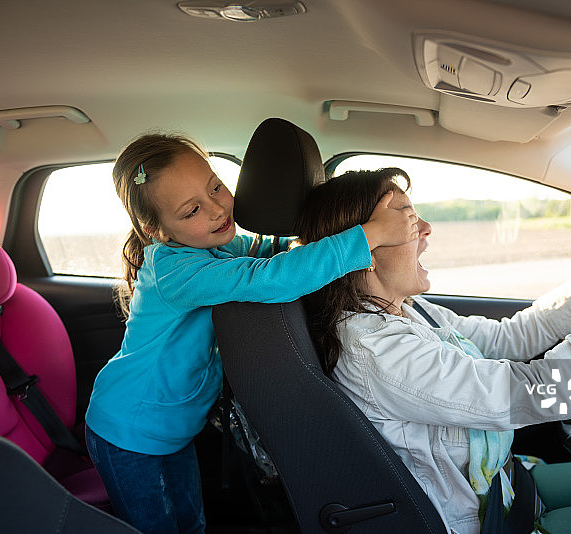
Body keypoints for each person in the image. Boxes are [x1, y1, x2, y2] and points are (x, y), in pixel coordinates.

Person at [295, 167, 571, 534]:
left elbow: (509, 338)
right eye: (408, 219)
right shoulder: (379, 352)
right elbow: (549, 392)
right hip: (490, 523)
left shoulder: (406, 311)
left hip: (509, 487)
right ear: (365, 251)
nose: (426, 228)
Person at [84, 134, 419, 534]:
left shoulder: (218, 248)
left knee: (191, 523)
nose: (216, 209)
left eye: (215, 187)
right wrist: (369, 234)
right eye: (192, 210)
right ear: (157, 230)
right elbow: (273, 277)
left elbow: (277, 252)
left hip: (172, 428)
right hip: (129, 431)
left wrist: (316, 225)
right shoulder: (176, 272)